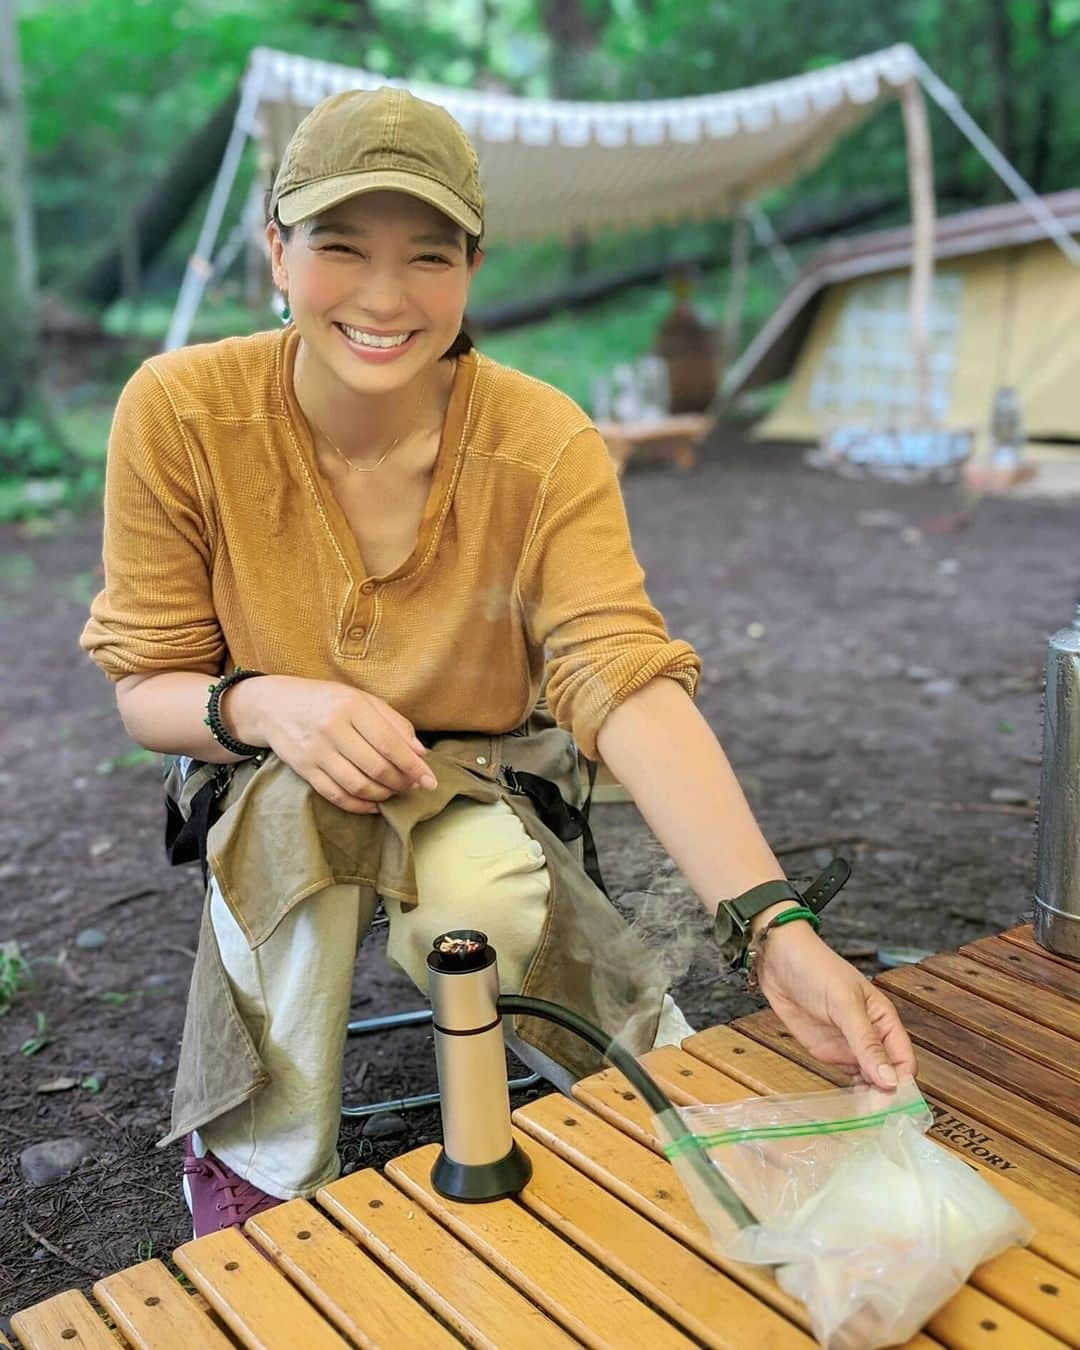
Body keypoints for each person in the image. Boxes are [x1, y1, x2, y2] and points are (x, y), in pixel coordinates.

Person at [80, 86, 916, 1238]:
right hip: (259, 758)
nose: (384, 296)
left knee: (491, 905)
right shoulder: (179, 412)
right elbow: (148, 690)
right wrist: (270, 704)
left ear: (473, 267)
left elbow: (619, 674)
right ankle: (257, 1172)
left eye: (428, 255)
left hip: (476, 776)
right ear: (277, 252)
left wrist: (778, 930)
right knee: (288, 809)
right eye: (340, 248)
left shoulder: (539, 440)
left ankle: (652, 1107)